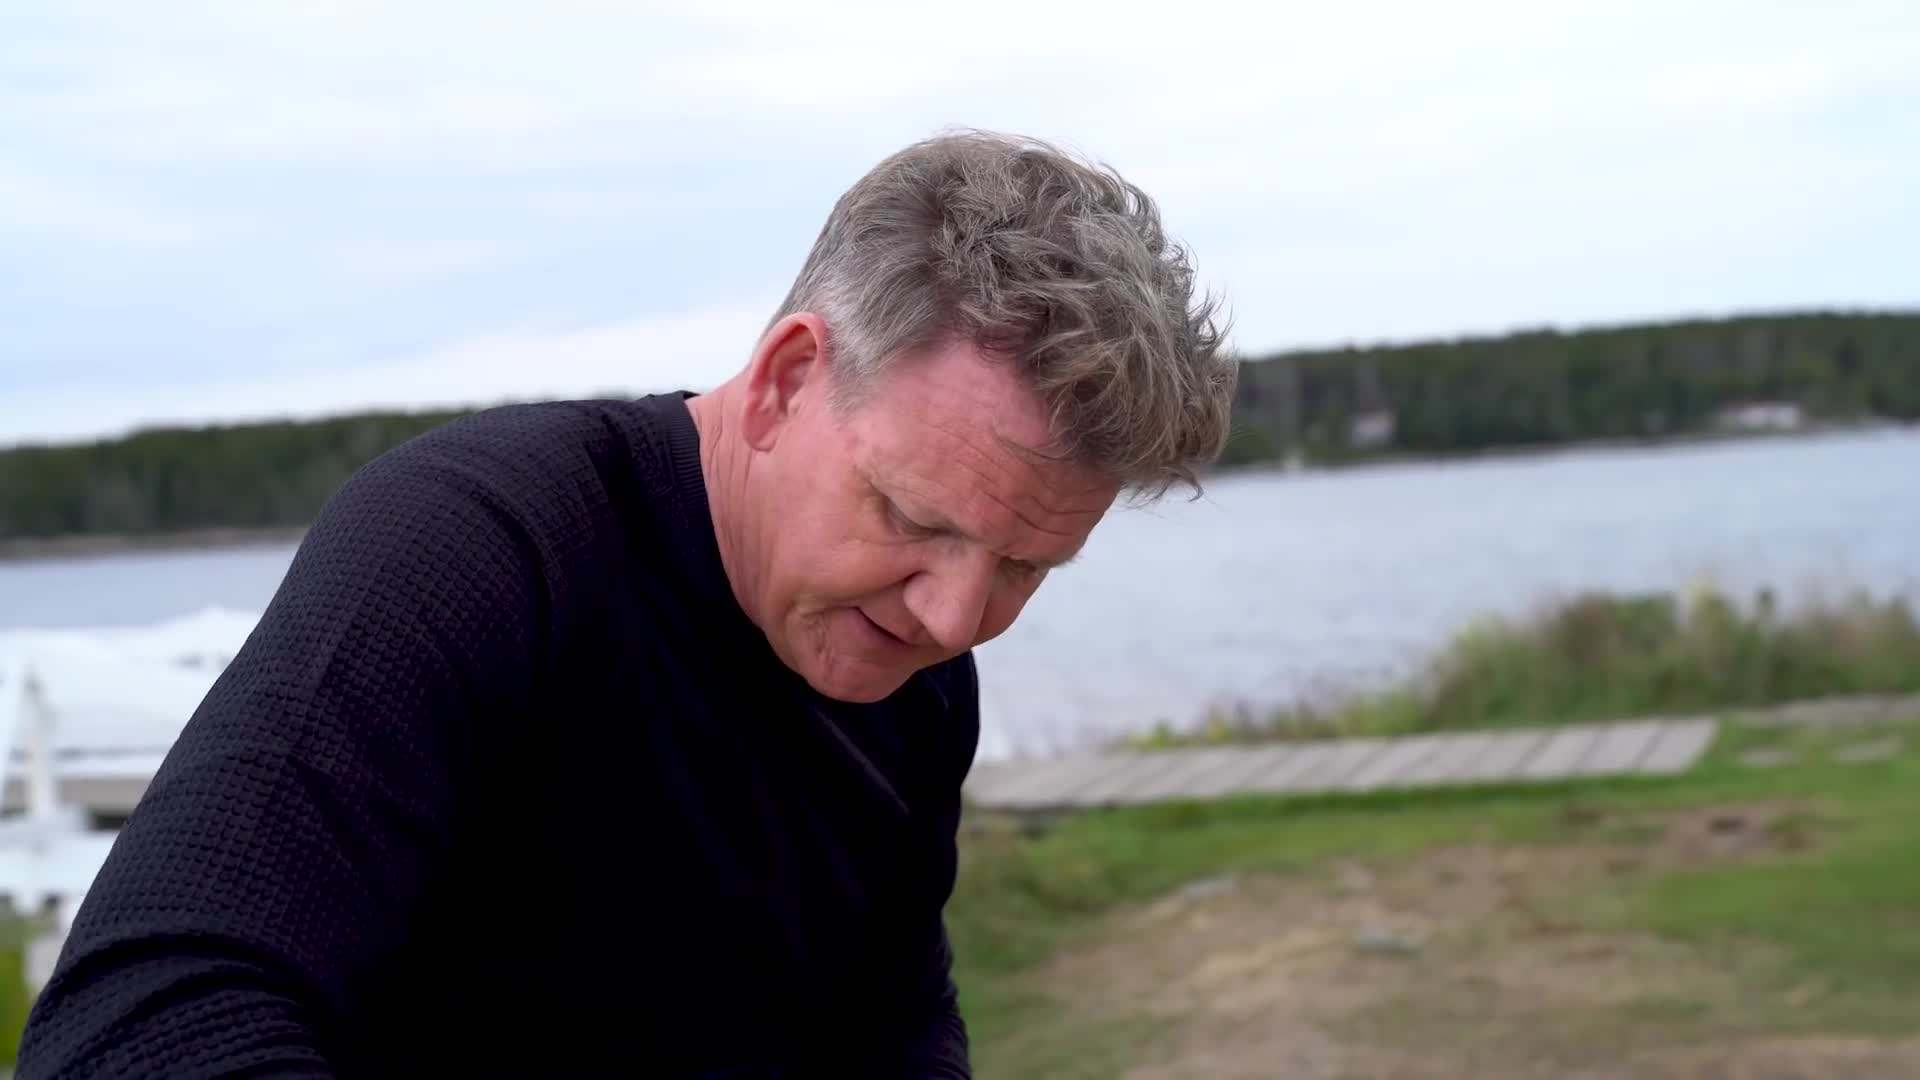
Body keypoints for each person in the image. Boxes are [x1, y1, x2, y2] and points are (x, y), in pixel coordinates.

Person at [16, 130, 1235, 1077]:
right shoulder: (480, 548)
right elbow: (142, 1021)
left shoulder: (907, 673)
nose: (956, 620)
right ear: (787, 381)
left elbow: (892, 1005)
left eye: (1024, 567)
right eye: (916, 521)